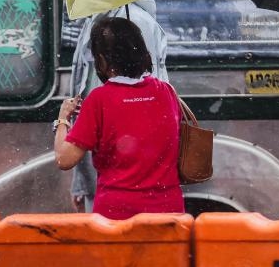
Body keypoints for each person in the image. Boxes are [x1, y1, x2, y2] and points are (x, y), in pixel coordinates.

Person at [53, 16, 182, 220]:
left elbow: (64, 159)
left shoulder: (99, 100)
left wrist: (62, 120)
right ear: (142, 52)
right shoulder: (166, 92)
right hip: (168, 212)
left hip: (116, 214)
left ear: (102, 60)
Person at [69, 0, 169, 213]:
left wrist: (61, 120)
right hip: (111, 180)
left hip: (118, 187)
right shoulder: (101, 19)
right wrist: (81, 181)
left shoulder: (124, 23)